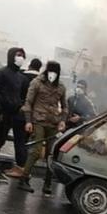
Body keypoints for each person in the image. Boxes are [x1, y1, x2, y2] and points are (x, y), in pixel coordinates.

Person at [18, 60, 67, 195]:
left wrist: (63, 120)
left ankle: (48, 183)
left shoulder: (61, 87)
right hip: (38, 120)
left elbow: (64, 106)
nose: (52, 74)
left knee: (52, 154)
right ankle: (24, 178)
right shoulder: (37, 82)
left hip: (53, 122)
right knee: (36, 151)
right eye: (51, 71)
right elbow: (28, 102)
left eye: (55, 72)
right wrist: (28, 121)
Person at [0, 47, 28, 181]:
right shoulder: (1, 73)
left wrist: (19, 105)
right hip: (1, 112)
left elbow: (19, 95)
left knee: (1, 141)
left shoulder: (20, 76)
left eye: (22, 55)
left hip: (12, 114)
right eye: (18, 55)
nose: (20, 58)